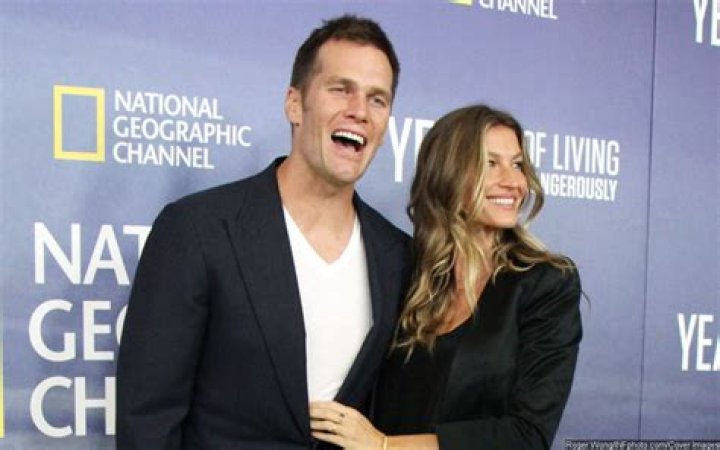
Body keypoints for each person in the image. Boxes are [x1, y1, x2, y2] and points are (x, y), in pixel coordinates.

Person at [116, 15, 411, 449]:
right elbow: (147, 420)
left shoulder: (397, 255)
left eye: (377, 99)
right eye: (340, 89)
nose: (359, 111)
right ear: (294, 103)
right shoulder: (198, 230)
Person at [309, 104, 583, 450]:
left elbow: (527, 436)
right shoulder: (406, 273)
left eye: (517, 164)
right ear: (448, 172)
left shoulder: (546, 285)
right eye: (490, 164)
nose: (513, 182)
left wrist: (385, 446)